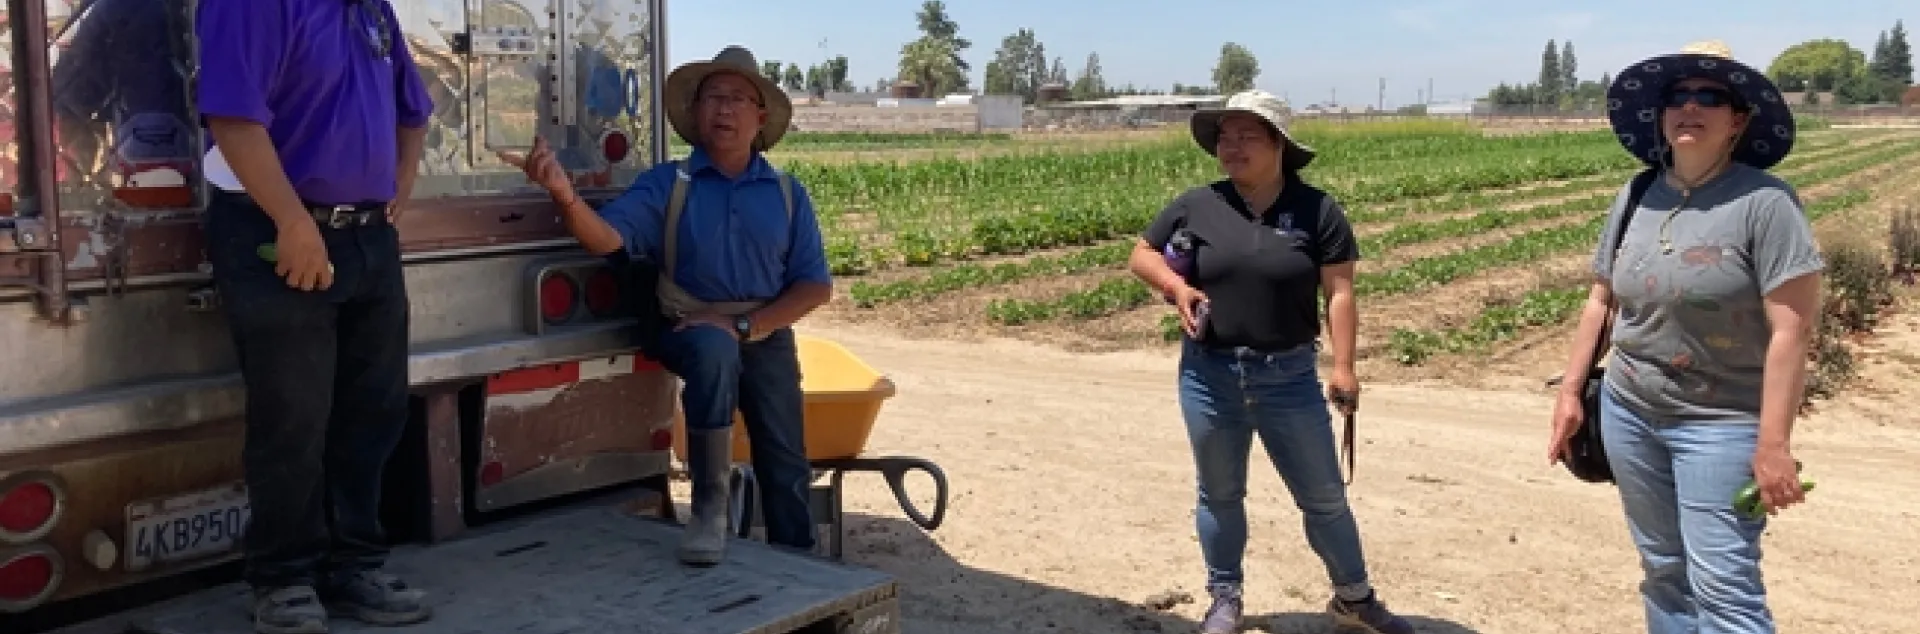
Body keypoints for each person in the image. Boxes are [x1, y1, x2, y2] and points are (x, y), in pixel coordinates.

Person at [502, 45, 832, 566]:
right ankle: (708, 513)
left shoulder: (788, 194)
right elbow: (608, 239)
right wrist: (566, 198)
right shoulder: (667, 184)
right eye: (713, 97)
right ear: (696, 112)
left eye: (737, 99)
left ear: (759, 115)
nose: (724, 110)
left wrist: (746, 324)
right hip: (689, 326)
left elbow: (814, 286)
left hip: (762, 329)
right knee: (713, 352)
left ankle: (801, 555)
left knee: (785, 453)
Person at [1546, 40, 1819, 634]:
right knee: (1664, 570)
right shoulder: (1638, 195)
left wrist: (1773, 444)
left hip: (1720, 425)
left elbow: (1791, 332)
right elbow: (1600, 300)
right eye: (1678, 96)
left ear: (1737, 120)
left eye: (1709, 97)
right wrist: (1570, 393)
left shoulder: (1765, 203)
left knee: (1725, 590)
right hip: (1629, 410)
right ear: (1662, 115)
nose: (1690, 107)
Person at [1126, 90, 1414, 634]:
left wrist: (1345, 366)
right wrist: (1174, 284)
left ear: (1278, 144)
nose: (1230, 147)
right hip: (1209, 374)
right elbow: (1141, 253)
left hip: (1289, 377)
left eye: (1245, 136)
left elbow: (1341, 293)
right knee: (1219, 492)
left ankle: (1354, 597)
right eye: (1224, 138)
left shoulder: (1318, 211)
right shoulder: (1197, 203)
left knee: (1324, 495)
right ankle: (1224, 597)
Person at [195, 1, 434, 632]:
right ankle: (282, 579)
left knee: (373, 409)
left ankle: (353, 567)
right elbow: (233, 118)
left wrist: (396, 191)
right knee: (293, 416)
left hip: (367, 237)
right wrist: (293, 220)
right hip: (274, 229)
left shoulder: (374, 11)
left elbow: (414, 112)